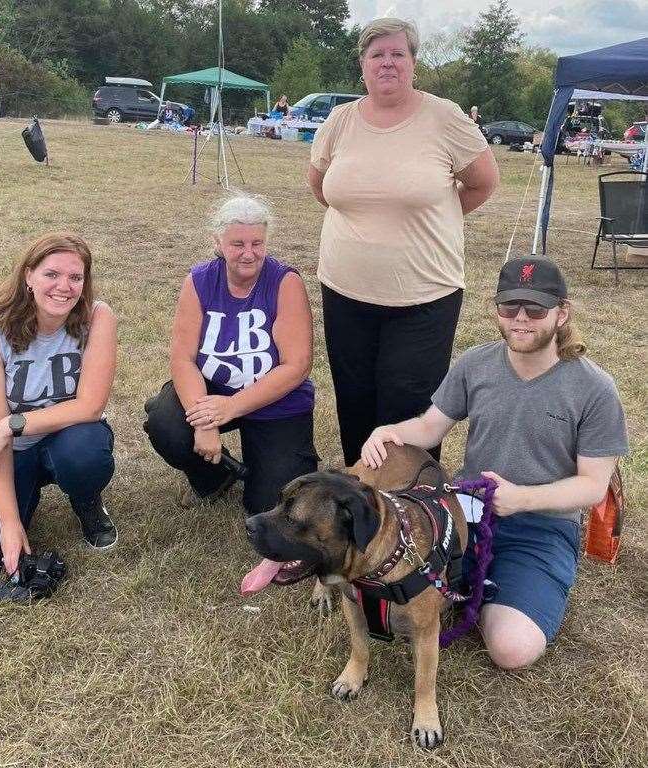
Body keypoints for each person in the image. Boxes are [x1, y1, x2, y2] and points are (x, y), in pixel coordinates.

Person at [361, 257, 628, 669]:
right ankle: (475, 586)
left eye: (536, 309)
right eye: (509, 307)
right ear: (497, 310)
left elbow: (593, 485)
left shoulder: (593, 388)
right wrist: (388, 431)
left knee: (512, 650)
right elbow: (431, 427)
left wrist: (521, 498)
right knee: (395, 618)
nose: (521, 319)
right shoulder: (477, 364)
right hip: (463, 514)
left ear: (562, 313)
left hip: (543, 527)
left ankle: (489, 592)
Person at [307, 17, 499, 467]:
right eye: (377, 55)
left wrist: (431, 218)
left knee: (408, 407)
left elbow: (482, 183)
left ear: (413, 62)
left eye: (398, 54)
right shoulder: (340, 121)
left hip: (423, 297)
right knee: (354, 400)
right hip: (344, 291)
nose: (387, 63)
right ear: (363, 65)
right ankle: (364, 496)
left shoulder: (446, 117)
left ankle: (414, 507)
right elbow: (320, 187)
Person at [0, 232, 118, 578]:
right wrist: (9, 524)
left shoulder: (97, 317)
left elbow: (90, 406)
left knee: (83, 450)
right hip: (17, 451)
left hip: (69, 439)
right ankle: (24, 497)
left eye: (76, 277)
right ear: (28, 276)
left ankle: (86, 499)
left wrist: (13, 424)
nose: (64, 287)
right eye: (51, 274)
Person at [144, 195, 318, 516]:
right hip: (214, 392)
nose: (249, 253)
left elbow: (297, 366)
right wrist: (205, 422)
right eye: (238, 243)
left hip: (275, 401)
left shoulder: (285, 282)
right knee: (166, 422)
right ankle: (214, 477)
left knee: (271, 506)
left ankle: (268, 466)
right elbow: (183, 359)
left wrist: (232, 406)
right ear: (218, 241)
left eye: (257, 243)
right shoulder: (198, 282)